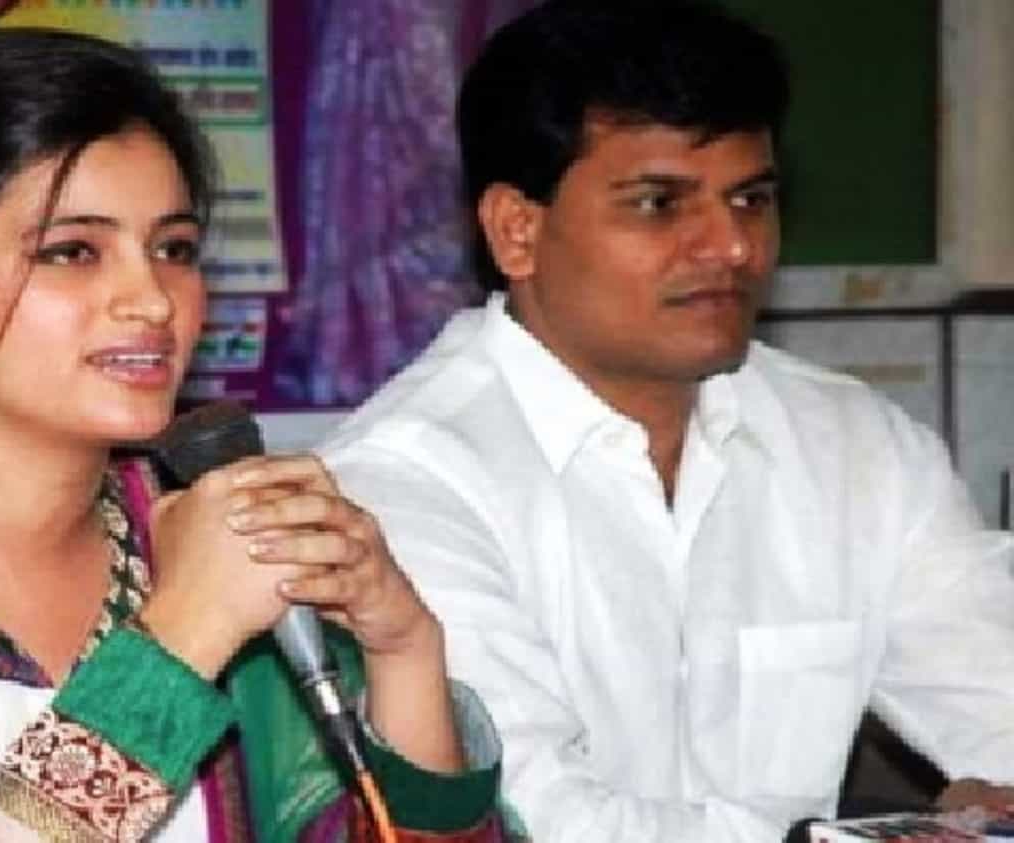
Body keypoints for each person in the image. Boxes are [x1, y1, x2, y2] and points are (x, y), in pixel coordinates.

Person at [0, 28, 513, 843]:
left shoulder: (197, 523)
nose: (152, 298)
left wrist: (403, 650)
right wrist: (182, 635)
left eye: (174, 248)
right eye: (73, 251)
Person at [320, 1, 1014, 841]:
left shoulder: (858, 447)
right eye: (660, 203)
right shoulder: (400, 484)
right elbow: (531, 821)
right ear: (516, 230)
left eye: (751, 198)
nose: (732, 246)